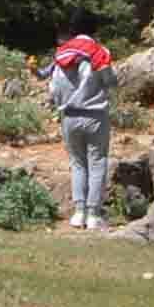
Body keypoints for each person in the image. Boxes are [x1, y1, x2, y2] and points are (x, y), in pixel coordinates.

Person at [43, 14, 113, 231]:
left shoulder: (62, 53)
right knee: (97, 162)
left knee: (78, 164)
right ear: (94, 30)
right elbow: (110, 80)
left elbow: (53, 88)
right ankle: (93, 215)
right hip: (95, 116)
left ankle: (78, 213)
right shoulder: (99, 51)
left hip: (68, 117)